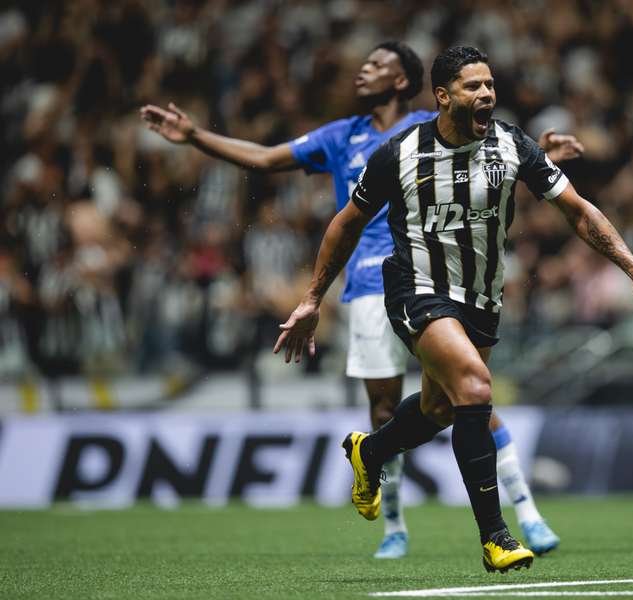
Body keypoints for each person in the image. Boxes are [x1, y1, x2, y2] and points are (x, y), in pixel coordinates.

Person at [140, 41, 579, 558]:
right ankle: (396, 527)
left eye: (376, 65)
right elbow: (265, 159)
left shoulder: (432, 124)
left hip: (440, 280)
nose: (362, 71)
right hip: (372, 286)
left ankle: (524, 513)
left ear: (403, 81)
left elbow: (485, 160)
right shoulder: (340, 136)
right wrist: (195, 136)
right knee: (399, 404)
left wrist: (535, 155)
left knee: (461, 400)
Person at [273, 46, 633, 573]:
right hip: (417, 288)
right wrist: (312, 299)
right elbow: (346, 223)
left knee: (440, 409)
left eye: (489, 84)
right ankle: (496, 538)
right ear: (443, 96)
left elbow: (577, 211)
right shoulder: (400, 153)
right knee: (475, 389)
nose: (487, 93)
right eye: (473, 86)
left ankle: (369, 452)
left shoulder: (512, 145)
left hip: (483, 299)